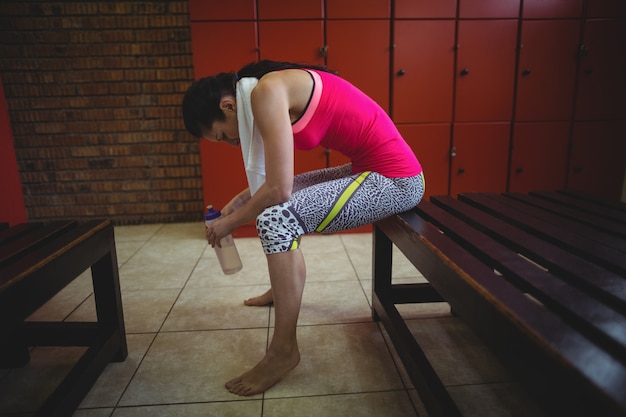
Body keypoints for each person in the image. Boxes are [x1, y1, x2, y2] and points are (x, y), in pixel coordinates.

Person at [182, 60, 425, 397]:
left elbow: (278, 191)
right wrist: (241, 202)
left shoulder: (267, 92)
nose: (233, 144)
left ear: (227, 106)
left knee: (275, 218)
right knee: (272, 209)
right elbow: (278, 184)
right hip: (368, 170)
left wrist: (228, 224)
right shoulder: (267, 87)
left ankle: (283, 352)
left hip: (396, 181)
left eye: (223, 136)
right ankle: (281, 289)